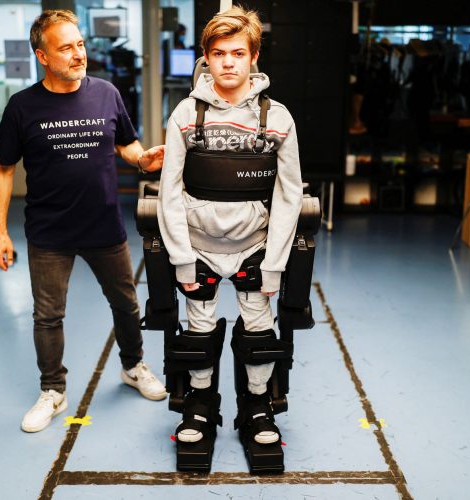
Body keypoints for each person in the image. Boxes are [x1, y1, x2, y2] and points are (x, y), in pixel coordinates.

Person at [0, 9, 167, 434]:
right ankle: (53, 390)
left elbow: (126, 142)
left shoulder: (106, 93)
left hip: (104, 225)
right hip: (50, 232)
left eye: (80, 44)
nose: (78, 54)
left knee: (125, 303)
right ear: (43, 56)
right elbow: (2, 169)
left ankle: (133, 366)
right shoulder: (22, 107)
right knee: (48, 315)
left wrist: (142, 159)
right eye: (66, 47)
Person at [157, 6, 303, 450]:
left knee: (259, 330)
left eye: (238, 52)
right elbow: (169, 191)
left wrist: (275, 263)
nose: (228, 62)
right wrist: (181, 258)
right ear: (206, 56)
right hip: (198, 247)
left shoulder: (277, 118)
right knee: (198, 329)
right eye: (218, 53)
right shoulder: (185, 113)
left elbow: (289, 194)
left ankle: (257, 405)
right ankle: (200, 402)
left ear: (254, 55)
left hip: (253, 247)